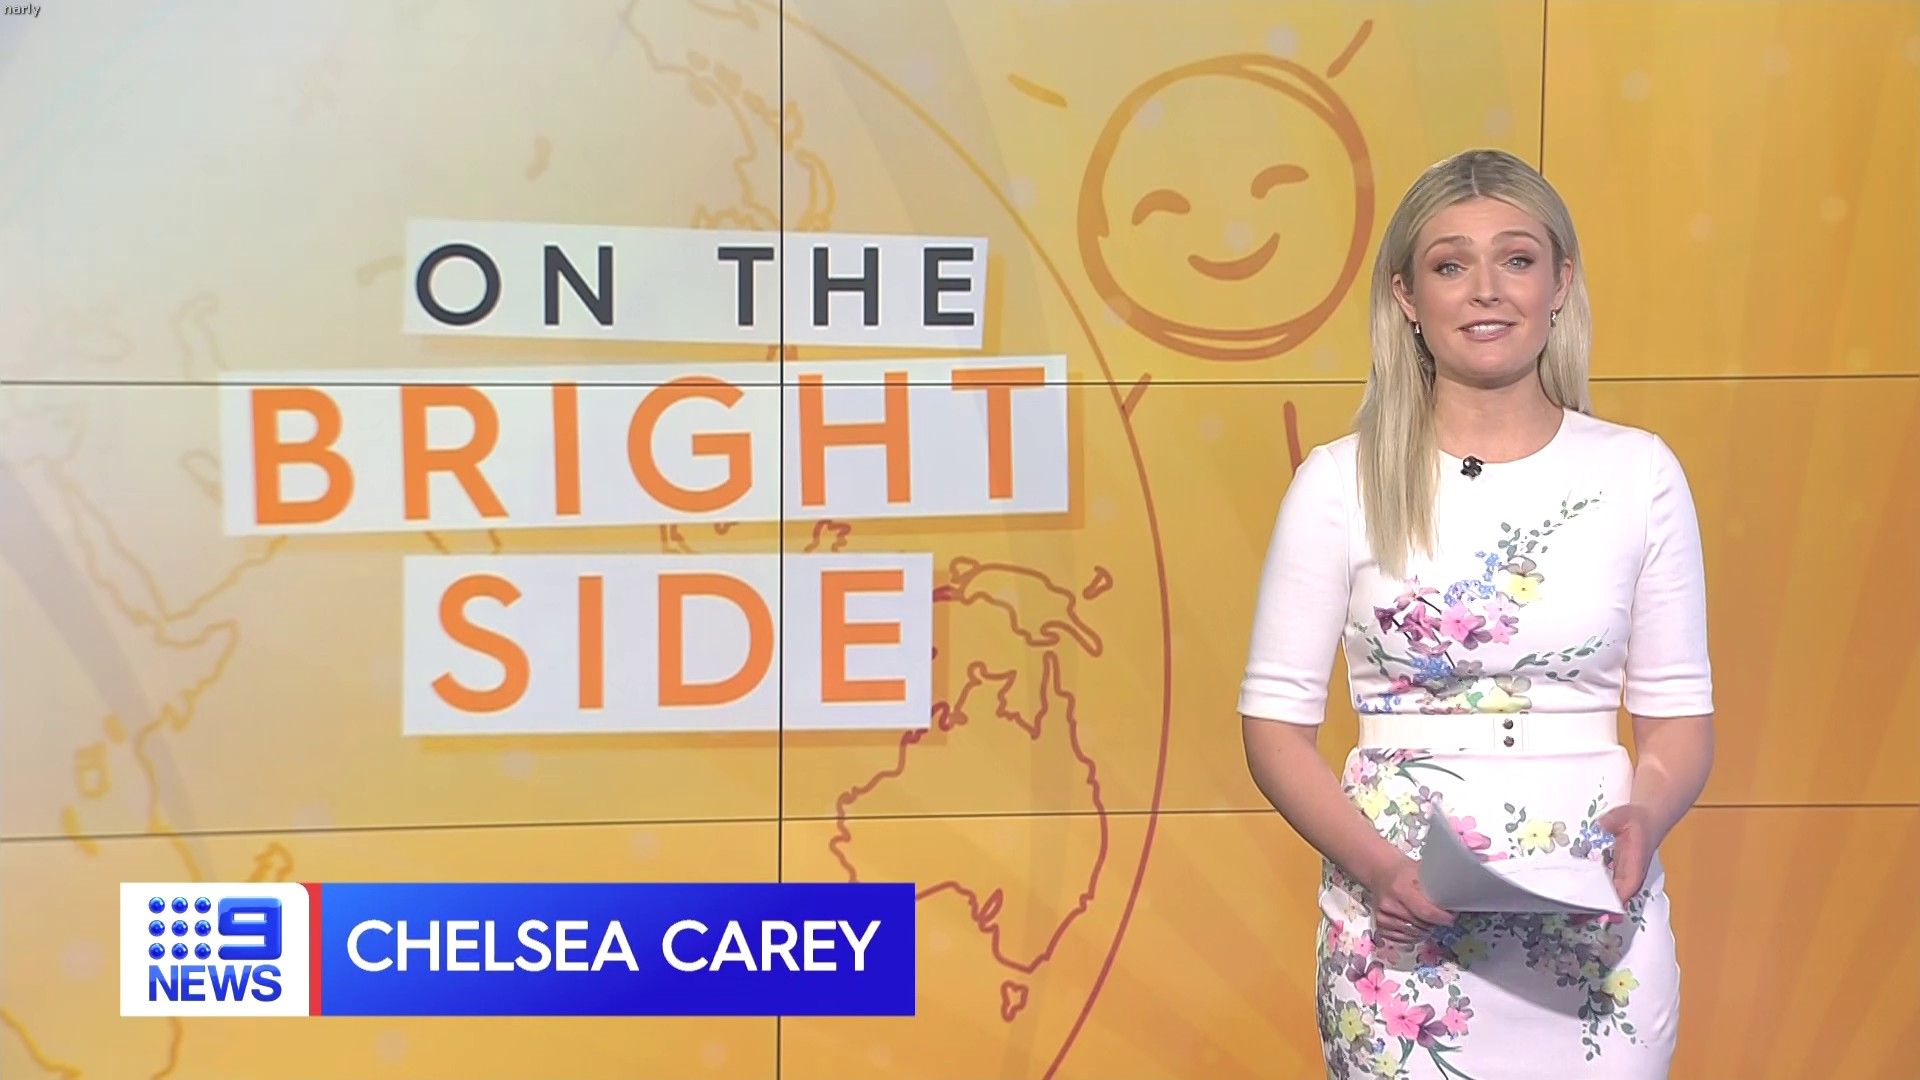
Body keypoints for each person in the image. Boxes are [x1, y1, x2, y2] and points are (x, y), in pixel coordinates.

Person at [1238, 148, 1715, 1079]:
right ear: (1408, 297)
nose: (1486, 290)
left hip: (1592, 917)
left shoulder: (1639, 472)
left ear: (1560, 284)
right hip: (1400, 917)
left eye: (1518, 259)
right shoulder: (1338, 482)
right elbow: (1273, 730)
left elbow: (1679, 717)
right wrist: (1381, 870)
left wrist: (1647, 819)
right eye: (1451, 264)